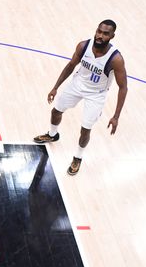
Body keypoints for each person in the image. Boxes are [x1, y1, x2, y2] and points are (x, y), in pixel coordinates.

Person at [33, 20, 129, 176]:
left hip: (96, 95)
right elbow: (71, 65)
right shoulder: (83, 46)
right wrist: (55, 87)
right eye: (99, 31)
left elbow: (123, 87)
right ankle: (52, 134)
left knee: (85, 129)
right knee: (56, 111)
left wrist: (116, 116)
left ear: (112, 36)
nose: (100, 36)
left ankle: (78, 157)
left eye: (105, 34)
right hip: (77, 85)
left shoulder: (116, 59)